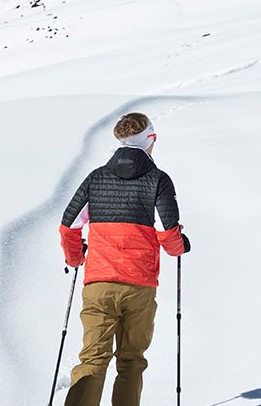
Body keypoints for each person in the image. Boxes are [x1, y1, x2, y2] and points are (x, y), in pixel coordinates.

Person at [59, 113, 190, 406]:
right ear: (150, 140)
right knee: (131, 361)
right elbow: (168, 233)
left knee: (93, 357)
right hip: (139, 286)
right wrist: (180, 246)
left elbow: (69, 226)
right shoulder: (158, 180)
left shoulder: (96, 178)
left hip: (99, 283)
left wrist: (76, 256)